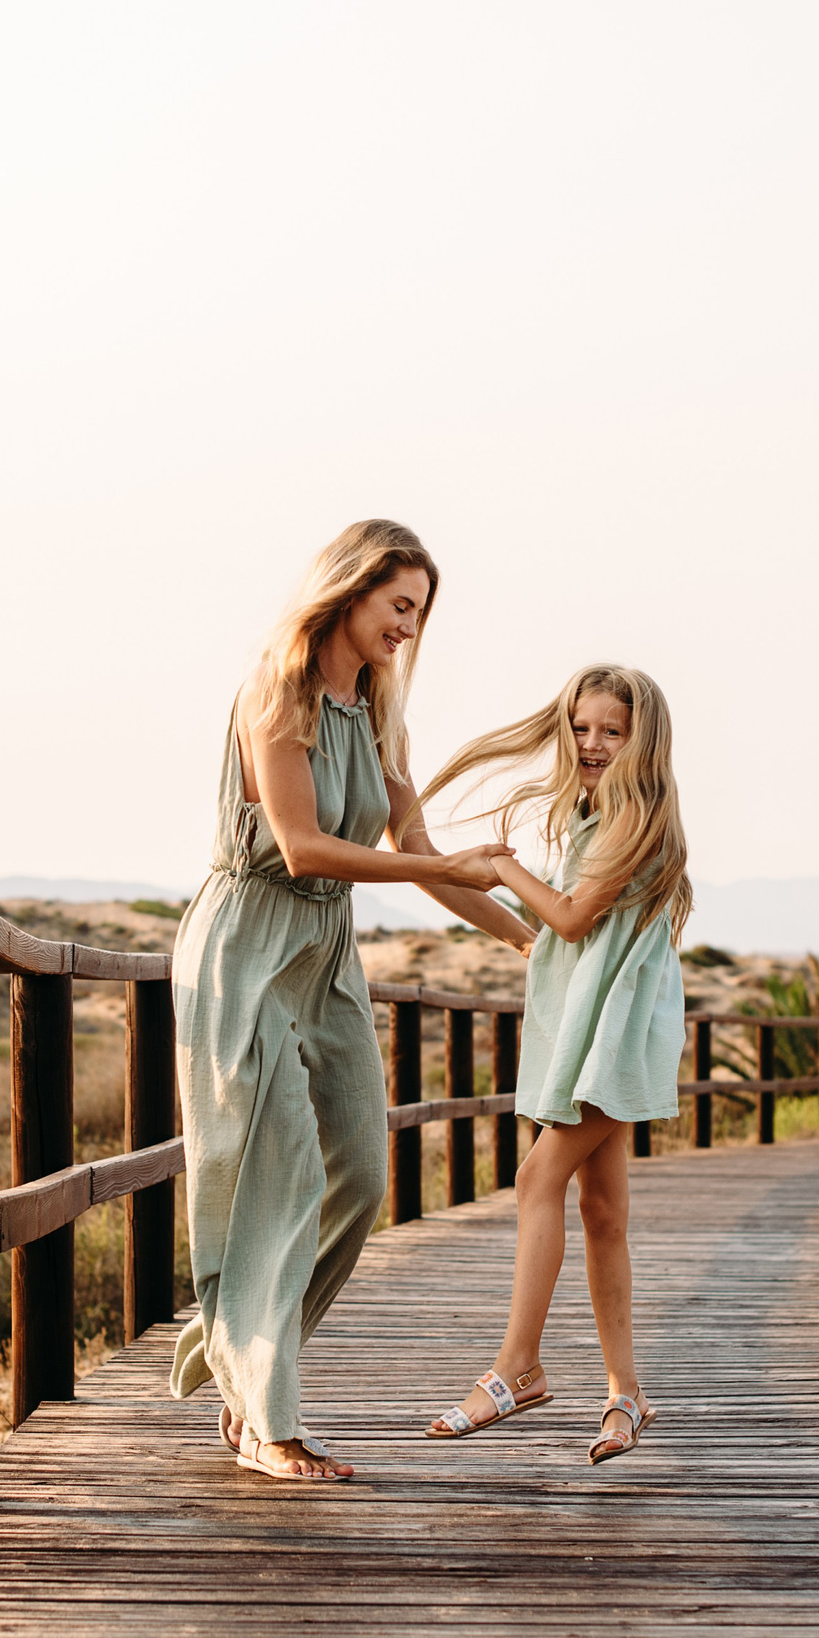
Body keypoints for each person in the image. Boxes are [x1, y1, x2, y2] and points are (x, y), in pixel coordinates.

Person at [172, 520, 535, 1482]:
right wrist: (438, 858)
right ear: (349, 590)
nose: (409, 628)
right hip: (250, 938)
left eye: (420, 612)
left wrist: (531, 942)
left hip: (326, 949)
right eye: (399, 606)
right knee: (281, 1165)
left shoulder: (378, 713)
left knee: (363, 1172)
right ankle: (266, 1418)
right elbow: (299, 844)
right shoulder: (277, 689)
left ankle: (246, 1361)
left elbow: (421, 859)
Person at [417, 664, 692, 1463]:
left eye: (612, 729)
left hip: (617, 1034)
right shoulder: (590, 811)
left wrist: (501, 868)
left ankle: (517, 1368)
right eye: (581, 727)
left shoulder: (640, 815)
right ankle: (627, 1395)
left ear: (643, 739)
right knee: (602, 1210)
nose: (594, 743)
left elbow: (570, 920)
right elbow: (559, 935)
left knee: (538, 1178)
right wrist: (441, 866)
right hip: (588, 1028)